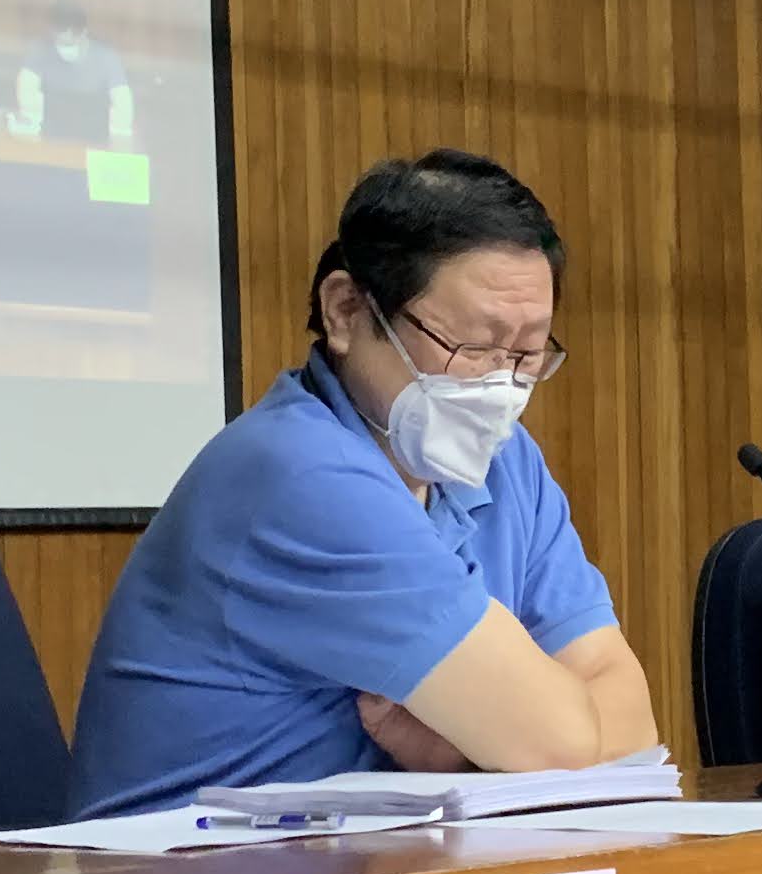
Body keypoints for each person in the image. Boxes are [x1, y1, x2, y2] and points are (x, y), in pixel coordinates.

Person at [67, 150, 656, 815]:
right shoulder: (297, 473)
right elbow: (561, 743)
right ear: (347, 311)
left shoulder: (506, 462)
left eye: (526, 354)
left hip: (379, 872)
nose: (500, 386)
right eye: (472, 347)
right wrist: (516, 740)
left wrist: (461, 754)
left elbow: (629, 719)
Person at [20, 1, 136, 145]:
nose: (65, 48)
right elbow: (26, 94)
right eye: (60, 43)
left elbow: (123, 105)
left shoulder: (106, 57)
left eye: (70, 43)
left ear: (84, 32)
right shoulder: (39, 50)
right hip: (49, 138)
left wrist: (116, 136)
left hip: (96, 142)